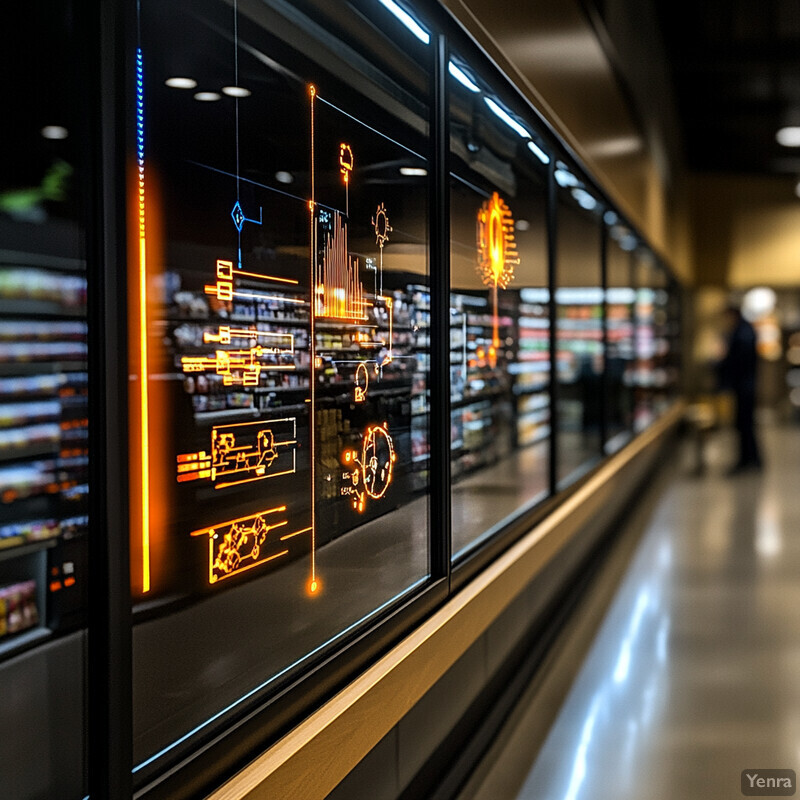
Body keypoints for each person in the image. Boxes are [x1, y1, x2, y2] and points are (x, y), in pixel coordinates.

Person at [717, 304, 761, 472]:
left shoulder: (742, 332)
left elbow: (737, 361)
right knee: (744, 424)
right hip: (745, 384)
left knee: (745, 424)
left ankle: (749, 460)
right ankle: (751, 459)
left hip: (745, 385)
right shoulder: (743, 330)